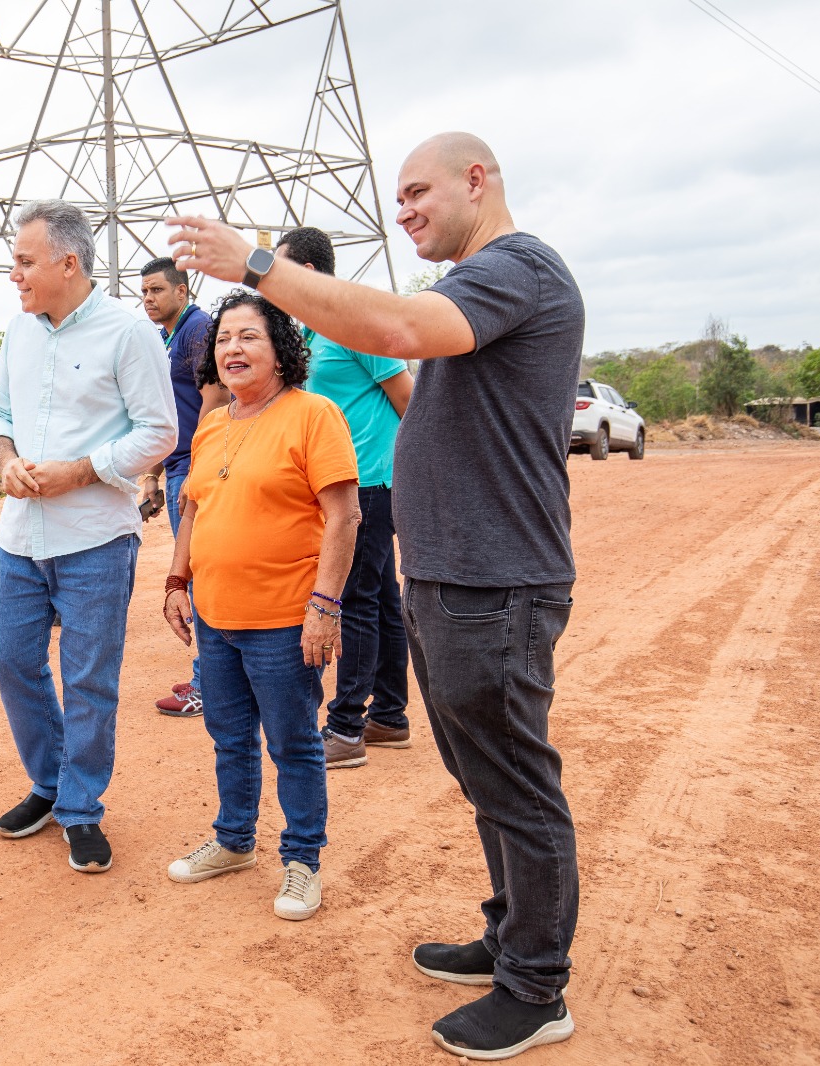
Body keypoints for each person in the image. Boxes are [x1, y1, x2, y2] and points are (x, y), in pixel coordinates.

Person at [169, 132, 583, 1060]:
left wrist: (258, 265)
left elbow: (394, 331)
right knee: (483, 777)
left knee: (515, 781)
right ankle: (507, 935)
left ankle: (536, 986)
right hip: (451, 575)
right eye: (397, 198)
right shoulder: (481, 283)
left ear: (479, 180)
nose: (402, 213)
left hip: (498, 576)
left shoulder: (519, 270)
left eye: (417, 192)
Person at [0, 199, 178, 875]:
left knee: (90, 680)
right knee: (11, 662)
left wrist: (80, 471)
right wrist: (5, 458)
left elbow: (160, 431)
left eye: (24, 261)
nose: (14, 274)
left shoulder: (128, 332)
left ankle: (81, 808)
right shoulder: (19, 331)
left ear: (68, 262)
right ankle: (50, 781)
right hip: (21, 538)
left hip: (95, 536)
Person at [161, 290, 360, 921]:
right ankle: (234, 841)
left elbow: (344, 515)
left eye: (248, 337)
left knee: (293, 741)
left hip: (284, 618)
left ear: (280, 349)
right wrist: (175, 580)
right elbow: (195, 505)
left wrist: (325, 604)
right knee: (228, 737)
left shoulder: (313, 414)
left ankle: (303, 861)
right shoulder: (214, 424)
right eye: (223, 339)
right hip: (216, 616)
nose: (232, 349)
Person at [274, 227, 414, 769]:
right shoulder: (310, 332)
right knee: (379, 598)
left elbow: (409, 400)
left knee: (354, 600)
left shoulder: (354, 326)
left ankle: (347, 727)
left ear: (306, 273)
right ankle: (391, 717)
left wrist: (412, 477)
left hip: (370, 484)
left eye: (278, 272)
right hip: (341, 484)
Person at [137, 257, 228, 718]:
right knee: (197, 573)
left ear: (182, 289)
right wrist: (153, 473)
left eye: (157, 290)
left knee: (199, 576)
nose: (149, 299)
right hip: (177, 465)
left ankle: (210, 686)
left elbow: (215, 399)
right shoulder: (168, 336)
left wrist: (196, 467)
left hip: (195, 467)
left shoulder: (198, 330)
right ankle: (213, 677)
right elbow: (166, 415)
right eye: (144, 292)